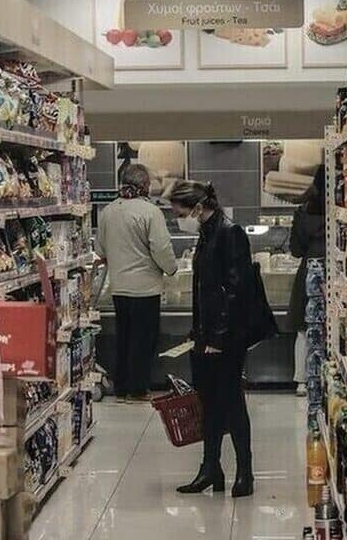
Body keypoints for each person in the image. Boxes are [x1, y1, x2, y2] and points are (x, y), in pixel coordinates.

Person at [169, 179, 256, 498]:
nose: (179, 219)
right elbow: (203, 289)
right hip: (206, 335)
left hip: (227, 338)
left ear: (197, 207)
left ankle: (245, 472)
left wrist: (218, 337)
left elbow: (236, 291)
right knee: (209, 403)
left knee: (232, 402)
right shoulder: (206, 233)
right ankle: (210, 468)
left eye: (180, 213)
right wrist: (198, 332)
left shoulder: (230, 233)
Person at [95, 163, 177, 401]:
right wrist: (171, 269)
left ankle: (121, 388)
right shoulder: (150, 212)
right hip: (146, 288)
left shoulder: (108, 211)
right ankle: (138, 389)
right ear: (144, 185)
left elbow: (100, 249)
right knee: (143, 340)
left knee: (124, 338)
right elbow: (161, 248)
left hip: (119, 287)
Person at [289, 165, 327, 395]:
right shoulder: (337, 209)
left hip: (309, 270)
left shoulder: (303, 211)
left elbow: (295, 250)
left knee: (304, 328)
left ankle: (302, 380)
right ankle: (328, 374)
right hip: (334, 268)